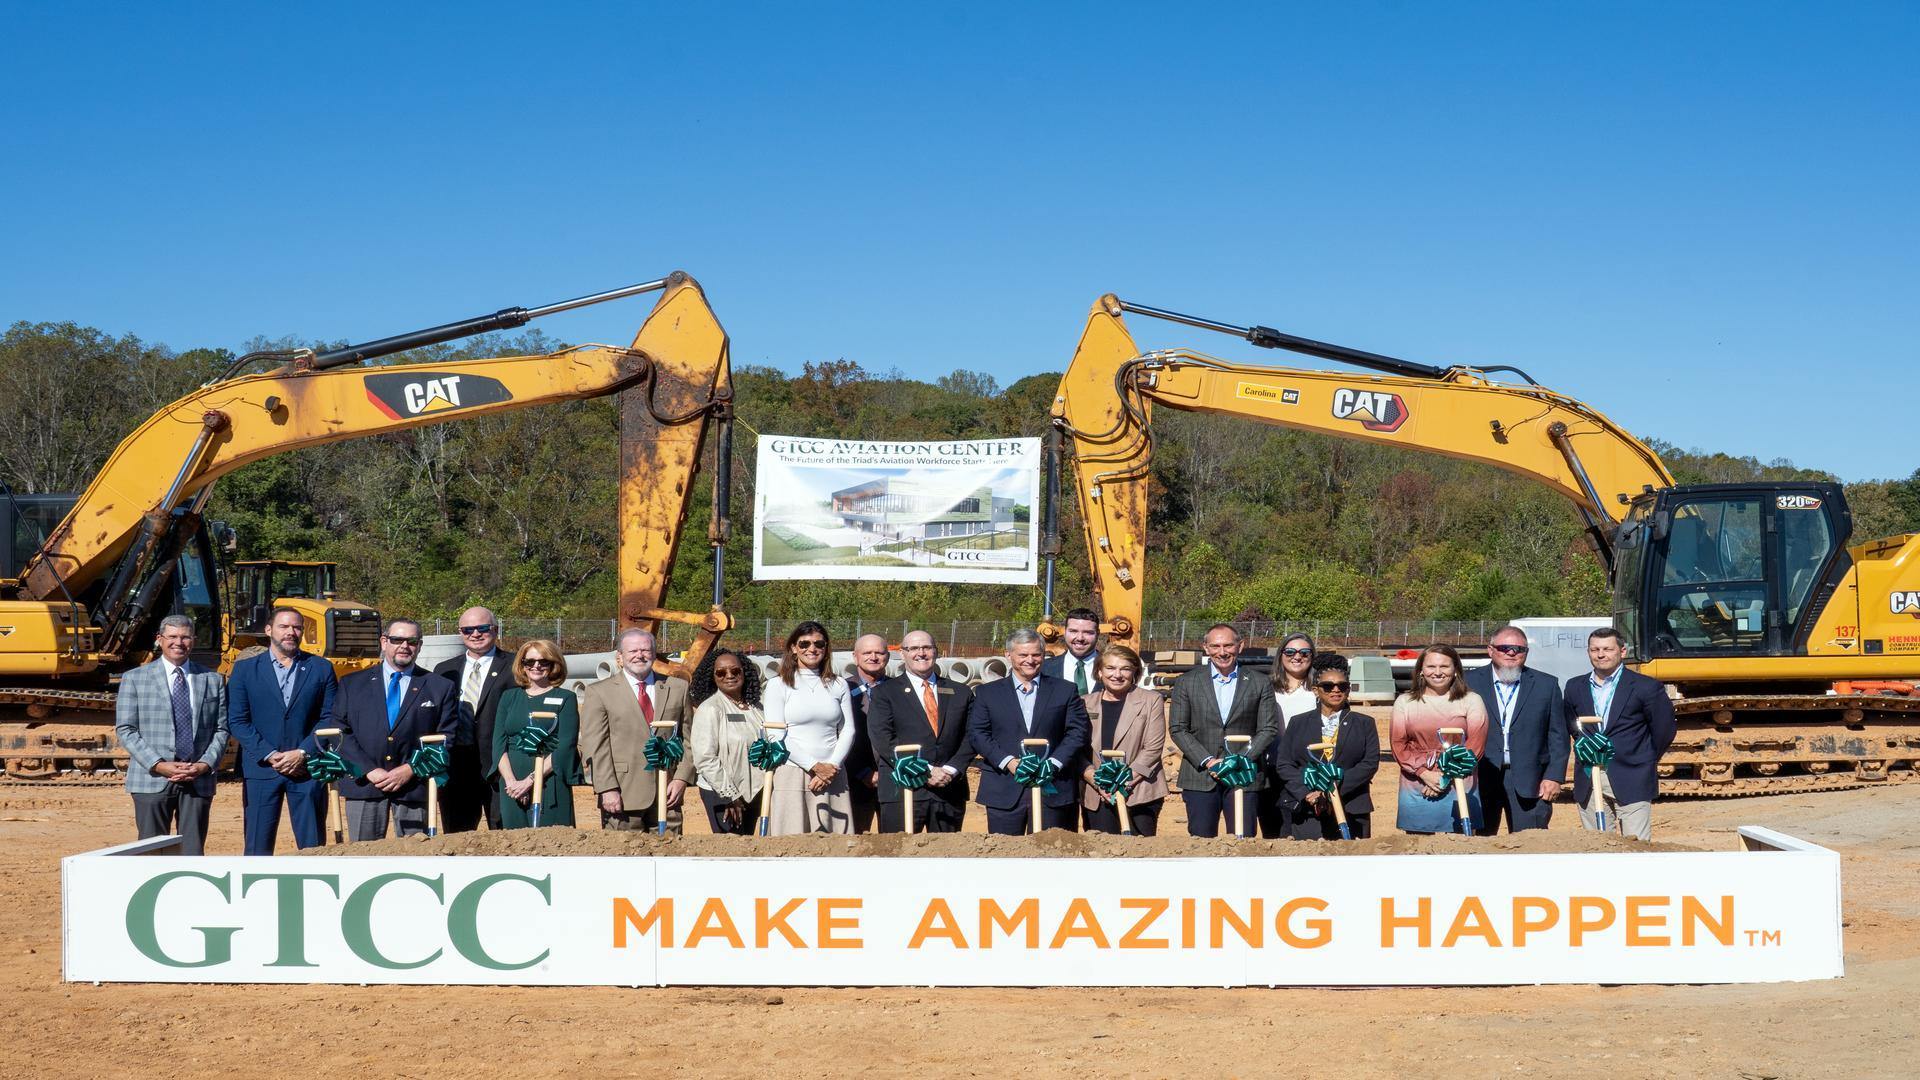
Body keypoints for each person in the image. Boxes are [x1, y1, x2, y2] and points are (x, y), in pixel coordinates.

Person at [333, 618, 459, 840]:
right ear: (384, 642)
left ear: (419, 645)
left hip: (415, 785)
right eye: (397, 639)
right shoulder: (352, 684)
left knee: (415, 856)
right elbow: (339, 731)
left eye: (411, 641)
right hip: (365, 785)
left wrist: (409, 769)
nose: (404, 646)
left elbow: (445, 738)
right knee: (363, 856)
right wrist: (369, 770)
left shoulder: (440, 687)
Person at [227, 607, 339, 854]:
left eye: (296, 627)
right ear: (269, 630)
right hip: (262, 769)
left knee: (313, 847)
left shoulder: (321, 668)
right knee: (257, 847)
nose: (291, 632)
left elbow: (329, 718)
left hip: (307, 769)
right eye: (284, 627)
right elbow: (237, 720)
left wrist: (302, 752)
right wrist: (270, 754)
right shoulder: (245, 670)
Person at [114, 615, 229, 855]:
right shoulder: (135, 678)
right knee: (151, 853)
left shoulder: (212, 680)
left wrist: (204, 764)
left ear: (193, 640)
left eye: (185, 637)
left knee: (192, 852)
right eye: (173, 636)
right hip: (151, 779)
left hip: (197, 779)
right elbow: (126, 728)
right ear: (160, 639)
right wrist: (158, 764)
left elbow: (222, 728)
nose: (179, 642)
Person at [967, 628, 1090, 834]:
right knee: (1005, 856)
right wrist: (1009, 762)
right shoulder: (987, 693)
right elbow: (978, 733)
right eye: (1023, 655)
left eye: (1036, 654)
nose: (1030, 660)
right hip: (1004, 788)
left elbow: (1077, 732)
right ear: (1008, 655)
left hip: (1053, 788)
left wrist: (1053, 764)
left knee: (1051, 855)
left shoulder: (1065, 690)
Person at [1562, 626, 1676, 841]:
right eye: (1594, 649)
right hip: (1590, 777)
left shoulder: (1646, 687)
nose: (1601, 654)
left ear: (1622, 652)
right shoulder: (1574, 687)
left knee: (1636, 847)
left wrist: (1643, 760)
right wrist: (1585, 749)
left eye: (1607, 649)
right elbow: (1571, 726)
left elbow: (1664, 730)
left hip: (1632, 776)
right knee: (1596, 845)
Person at [1167, 623, 1279, 838]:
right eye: (1216, 646)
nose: (1222, 652)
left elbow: (1268, 728)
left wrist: (1239, 761)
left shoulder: (1260, 682)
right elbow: (1178, 728)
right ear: (1206, 648)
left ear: (1240, 646)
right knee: (1200, 841)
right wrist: (1208, 760)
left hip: (1244, 775)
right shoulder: (1186, 682)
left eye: (1228, 645)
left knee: (1243, 839)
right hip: (1201, 777)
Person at [578, 629, 695, 832]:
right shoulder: (599, 692)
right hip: (622, 795)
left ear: (654, 653)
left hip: (667, 795)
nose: (639, 655)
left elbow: (689, 739)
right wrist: (607, 788)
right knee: (625, 860)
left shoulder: (677, 688)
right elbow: (595, 746)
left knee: (669, 856)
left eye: (645, 650)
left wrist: (681, 778)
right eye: (633, 651)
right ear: (620, 657)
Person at [866, 629, 974, 833]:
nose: (921, 653)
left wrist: (950, 770)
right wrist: (925, 771)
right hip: (902, 789)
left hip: (948, 788)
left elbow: (971, 736)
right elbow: (882, 738)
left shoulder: (961, 692)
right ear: (902, 653)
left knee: (946, 857)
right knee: (898, 858)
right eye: (913, 648)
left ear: (936, 651)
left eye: (926, 647)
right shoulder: (884, 693)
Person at [1464, 625, 1568, 833]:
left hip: (1531, 781)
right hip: (1479, 777)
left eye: (1519, 649)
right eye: (1504, 647)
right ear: (1490, 650)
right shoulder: (1468, 682)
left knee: (1531, 849)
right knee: (1477, 847)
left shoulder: (1546, 685)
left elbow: (1558, 736)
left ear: (1526, 654)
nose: (1511, 653)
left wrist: (1554, 776)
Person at [762, 622, 855, 834]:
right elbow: (775, 734)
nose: (811, 649)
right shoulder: (778, 685)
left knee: (836, 844)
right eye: (804, 644)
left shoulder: (839, 684)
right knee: (791, 840)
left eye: (818, 644)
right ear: (794, 648)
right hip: (793, 771)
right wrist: (814, 766)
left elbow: (848, 730)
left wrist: (830, 766)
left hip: (834, 774)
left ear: (826, 648)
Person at [1272, 654, 1379, 840]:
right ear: (1316, 690)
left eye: (1342, 686)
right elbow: (1284, 763)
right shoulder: (1298, 723)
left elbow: (1369, 764)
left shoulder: (1364, 723)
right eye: (1328, 686)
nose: (1336, 690)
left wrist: (1332, 789)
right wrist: (1306, 793)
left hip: (1350, 805)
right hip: (1308, 808)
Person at [1389, 643, 1489, 835]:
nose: (1438, 672)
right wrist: (1425, 774)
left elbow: (1475, 745)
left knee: (1460, 848)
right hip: (1417, 784)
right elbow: (1399, 744)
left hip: (1459, 783)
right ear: (1421, 671)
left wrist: (1444, 777)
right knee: (1418, 850)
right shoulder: (1405, 702)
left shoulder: (1472, 700)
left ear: (1455, 670)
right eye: (1431, 666)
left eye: (1444, 666)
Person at [432, 606, 512, 832]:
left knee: (504, 835)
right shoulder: (445, 670)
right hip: (457, 768)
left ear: (495, 630)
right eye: (468, 630)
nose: (475, 634)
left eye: (482, 628)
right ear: (460, 633)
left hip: (499, 768)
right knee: (457, 835)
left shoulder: (514, 667)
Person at [489, 639, 582, 829]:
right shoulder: (509, 697)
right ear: (522, 665)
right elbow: (499, 743)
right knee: (515, 843)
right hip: (512, 783)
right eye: (529, 662)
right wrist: (512, 782)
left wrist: (529, 782)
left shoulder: (566, 698)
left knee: (552, 842)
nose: (536, 666)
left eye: (543, 661)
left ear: (553, 664)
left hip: (550, 780)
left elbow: (565, 745)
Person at [1077, 644, 1168, 835]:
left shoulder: (1151, 700)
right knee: (1102, 852)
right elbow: (1077, 749)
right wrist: (1097, 780)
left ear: (1134, 672)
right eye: (1110, 668)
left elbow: (1153, 748)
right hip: (1097, 792)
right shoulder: (1084, 703)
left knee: (1139, 853)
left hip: (1140, 791)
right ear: (1099, 672)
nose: (1117, 675)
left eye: (1125, 668)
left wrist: (1124, 781)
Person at [688, 648, 768, 835]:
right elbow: (705, 758)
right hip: (723, 794)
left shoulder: (757, 708)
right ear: (712, 676)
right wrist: (730, 796)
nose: (729, 676)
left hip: (754, 792)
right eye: (721, 673)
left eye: (735, 671)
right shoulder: (709, 709)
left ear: (745, 672)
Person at [1258, 632, 1317, 838]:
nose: (1297, 656)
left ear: (1312, 656)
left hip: (1307, 773)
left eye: (1304, 652)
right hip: (1271, 772)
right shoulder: (1265, 688)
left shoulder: (1318, 691)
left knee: (1305, 834)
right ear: (1280, 655)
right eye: (1290, 651)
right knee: (1274, 834)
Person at [841, 633, 887, 833]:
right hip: (853, 779)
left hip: (892, 777)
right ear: (855, 656)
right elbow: (835, 734)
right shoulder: (841, 689)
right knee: (856, 841)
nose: (873, 657)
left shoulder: (898, 689)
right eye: (867, 652)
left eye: (879, 652)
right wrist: (862, 772)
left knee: (895, 840)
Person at [1041, 607, 1103, 695]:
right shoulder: (1044, 668)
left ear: (1098, 634)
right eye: (1073, 631)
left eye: (1087, 632)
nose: (1080, 638)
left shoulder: (1114, 668)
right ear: (1065, 632)